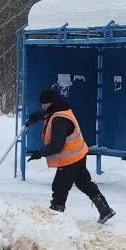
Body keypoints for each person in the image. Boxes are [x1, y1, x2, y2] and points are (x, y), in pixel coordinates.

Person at [24, 88, 115, 224]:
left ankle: (56, 216)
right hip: (78, 153)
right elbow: (47, 113)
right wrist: (35, 117)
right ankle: (105, 209)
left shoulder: (59, 119)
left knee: (59, 187)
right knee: (84, 183)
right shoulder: (59, 109)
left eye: (44, 104)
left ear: (51, 103)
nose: (43, 107)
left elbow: (57, 145)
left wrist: (39, 153)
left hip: (70, 158)